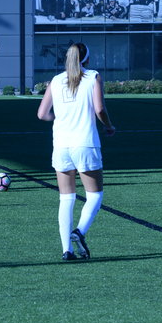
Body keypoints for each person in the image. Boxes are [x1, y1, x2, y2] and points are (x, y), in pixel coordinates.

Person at [37, 43, 116, 261]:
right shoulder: (93, 77)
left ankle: (67, 250)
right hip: (85, 143)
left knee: (66, 198)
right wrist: (109, 126)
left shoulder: (55, 80)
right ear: (87, 59)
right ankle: (79, 232)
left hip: (61, 145)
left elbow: (42, 114)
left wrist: (60, 118)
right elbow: (100, 109)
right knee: (95, 195)